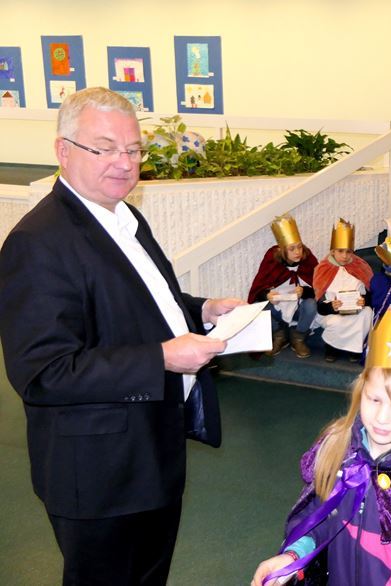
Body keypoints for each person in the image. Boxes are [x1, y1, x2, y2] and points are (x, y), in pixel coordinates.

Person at [0, 87, 244, 584]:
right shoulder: (38, 243)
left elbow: (141, 304)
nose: (123, 162)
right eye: (104, 148)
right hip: (98, 475)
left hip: (152, 454)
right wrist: (161, 359)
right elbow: (43, 374)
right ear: (63, 150)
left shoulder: (125, 216)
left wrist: (200, 310)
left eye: (133, 149)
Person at [250, 310, 391, 586]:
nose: (383, 418)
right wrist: (293, 556)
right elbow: (322, 517)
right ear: (361, 393)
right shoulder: (339, 448)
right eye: (374, 400)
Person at [248, 214, 318, 358]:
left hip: (300, 309)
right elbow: (258, 289)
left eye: (299, 247)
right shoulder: (272, 259)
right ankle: (279, 334)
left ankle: (298, 336)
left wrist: (304, 292)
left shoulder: (308, 259)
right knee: (261, 306)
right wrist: (267, 295)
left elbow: (318, 288)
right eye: (292, 249)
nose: (298, 252)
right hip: (278, 309)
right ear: (282, 250)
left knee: (311, 304)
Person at [313, 218, 374, 363]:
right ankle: (332, 348)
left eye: (348, 252)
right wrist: (330, 306)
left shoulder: (361, 266)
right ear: (333, 251)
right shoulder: (323, 268)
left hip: (355, 310)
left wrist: (364, 301)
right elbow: (319, 302)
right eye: (340, 251)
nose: (345, 256)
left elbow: (370, 293)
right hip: (332, 311)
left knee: (367, 313)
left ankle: (355, 349)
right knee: (336, 322)